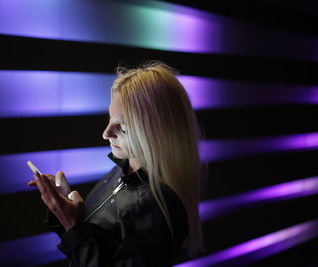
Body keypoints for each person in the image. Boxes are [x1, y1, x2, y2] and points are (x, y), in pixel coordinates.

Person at [28, 61, 203, 266]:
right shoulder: (121, 169)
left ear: (156, 134)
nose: (105, 134)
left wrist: (73, 226)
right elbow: (94, 247)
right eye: (110, 119)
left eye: (123, 128)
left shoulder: (157, 205)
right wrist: (65, 209)